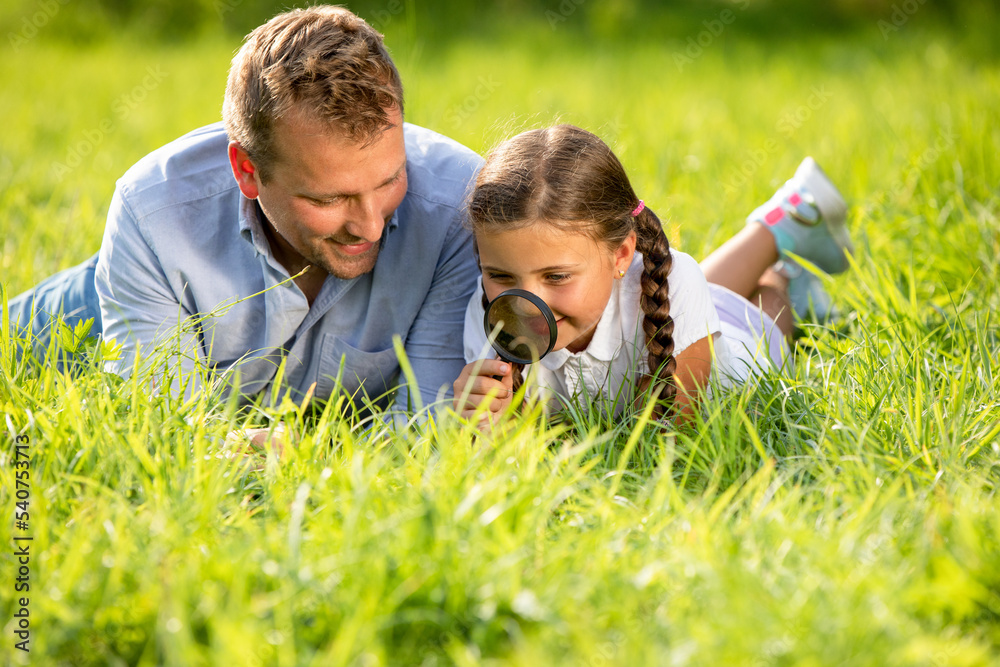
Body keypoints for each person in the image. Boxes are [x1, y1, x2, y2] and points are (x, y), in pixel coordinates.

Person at [5, 6, 482, 415]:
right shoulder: (154, 213)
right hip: (99, 311)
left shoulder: (460, 206)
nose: (372, 224)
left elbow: (431, 423)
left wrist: (297, 456)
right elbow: (167, 430)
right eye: (328, 199)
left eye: (389, 180)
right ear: (247, 170)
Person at [453, 124, 851, 422]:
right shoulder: (489, 312)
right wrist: (489, 426)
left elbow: (668, 437)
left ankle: (784, 272)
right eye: (502, 276)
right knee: (687, 287)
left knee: (761, 305)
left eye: (556, 277)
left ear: (622, 254)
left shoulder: (674, 283)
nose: (528, 304)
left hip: (742, 352)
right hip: (677, 306)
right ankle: (788, 224)